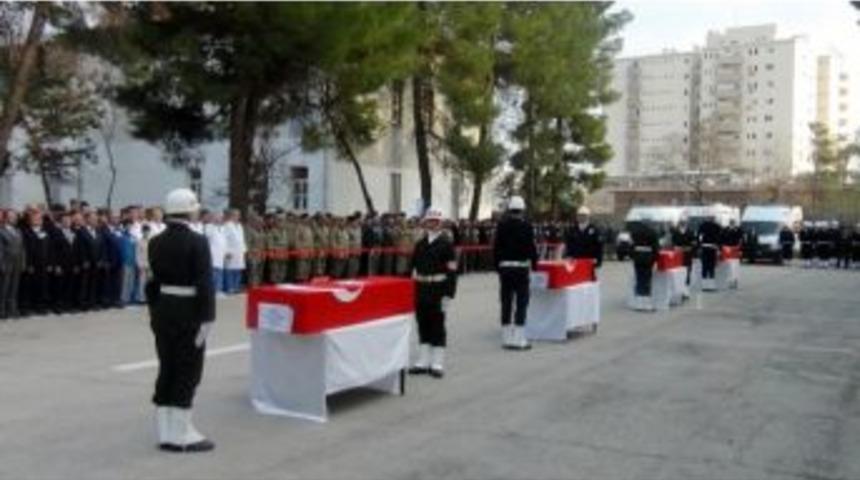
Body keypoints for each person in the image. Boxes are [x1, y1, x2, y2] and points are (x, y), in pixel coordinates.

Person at [146, 188, 216, 453]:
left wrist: (155, 311)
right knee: (188, 369)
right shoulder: (197, 241)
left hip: (164, 309)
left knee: (167, 366)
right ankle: (182, 433)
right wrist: (208, 316)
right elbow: (204, 283)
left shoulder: (155, 240)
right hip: (189, 310)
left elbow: (152, 283)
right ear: (189, 209)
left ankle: (166, 430)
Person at [408, 207, 458, 378]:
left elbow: (452, 271)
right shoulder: (420, 244)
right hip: (422, 288)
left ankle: (437, 363)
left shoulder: (447, 244)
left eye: (436, 221)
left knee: (437, 325)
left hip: (438, 289)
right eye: (430, 221)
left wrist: (449, 294)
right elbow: (412, 268)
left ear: (440, 223)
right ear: (425, 223)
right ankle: (422, 361)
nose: (433, 224)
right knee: (422, 324)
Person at [493, 196, 538, 350]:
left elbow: (496, 248)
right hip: (521, 268)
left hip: (505, 268)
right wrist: (535, 265)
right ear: (522, 210)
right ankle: (519, 339)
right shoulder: (527, 226)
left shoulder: (501, 226)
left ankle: (506, 338)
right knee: (521, 303)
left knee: (506, 302)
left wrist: (498, 267)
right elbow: (532, 248)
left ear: (509, 209)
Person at [563, 206, 603, 280]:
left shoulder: (594, 230)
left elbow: (599, 246)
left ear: (588, 217)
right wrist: (568, 256)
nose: (581, 217)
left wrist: (598, 260)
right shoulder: (572, 230)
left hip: (589, 261)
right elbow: (569, 244)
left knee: (590, 282)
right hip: (576, 261)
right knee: (576, 281)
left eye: (584, 215)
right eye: (579, 215)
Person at [629, 220, 660, 311]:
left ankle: (639, 304)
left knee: (639, 280)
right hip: (647, 258)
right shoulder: (652, 232)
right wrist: (654, 259)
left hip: (638, 258)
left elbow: (631, 246)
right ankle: (646, 304)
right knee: (647, 281)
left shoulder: (635, 233)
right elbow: (655, 247)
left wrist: (633, 257)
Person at [0, 209, 25, 320]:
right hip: (6, 262)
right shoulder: (1, 231)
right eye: (11, 216)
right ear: (5, 218)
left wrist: (23, 263)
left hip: (17, 263)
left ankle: (12, 309)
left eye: (15, 216)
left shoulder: (18, 231)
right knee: (4, 288)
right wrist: (1, 264)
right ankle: (2, 310)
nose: (14, 218)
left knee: (14, 288)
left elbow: (23, 249)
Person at [670, 215, 696, 296]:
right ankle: (679, 289)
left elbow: (694, 243)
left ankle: (686, 290)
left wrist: (692, 250)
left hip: (688, 254)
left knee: (688, 271)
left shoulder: (690, 232)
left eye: (684, 222)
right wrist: (676, 248)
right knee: (678, 272)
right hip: (678, 254)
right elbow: (673, 242)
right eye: (681, 222)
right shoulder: (675, 232)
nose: (682, 224)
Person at [202, 211, 227, 293]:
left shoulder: (222, 228)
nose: (220, 219)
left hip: (221, 254)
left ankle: (219, 290)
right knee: (213, 274)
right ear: (214, 218)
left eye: (221, 217)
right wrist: (213, 223)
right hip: (212, 253)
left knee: (220, 273)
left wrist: (226, 252)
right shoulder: (209, 227)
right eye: (218, 217)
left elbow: (224, 241)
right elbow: (207, 236)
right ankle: (212, 291)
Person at [222, 209, 246, 293]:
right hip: (230, 252)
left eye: (238, 215)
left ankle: (236, 287)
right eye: (235, 215)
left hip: (239, 251)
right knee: (230, 271)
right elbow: (223, 239)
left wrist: (244, 250)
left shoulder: (240, 226)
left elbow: (242, 239)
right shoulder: (227, 225)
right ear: (231, 216)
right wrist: (226, 251)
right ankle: (230, 288)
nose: (237, 217)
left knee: (238, 270)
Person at [698, 217, 722, 291]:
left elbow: (699, 237)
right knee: (711, 267)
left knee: (704, 267)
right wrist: (719, 248)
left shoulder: (702, 226)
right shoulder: (717, 226)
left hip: (705, 248)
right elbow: (719, 238)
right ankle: (711, 286)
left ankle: (704, 286)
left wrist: (699, 246)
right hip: (713, 248)